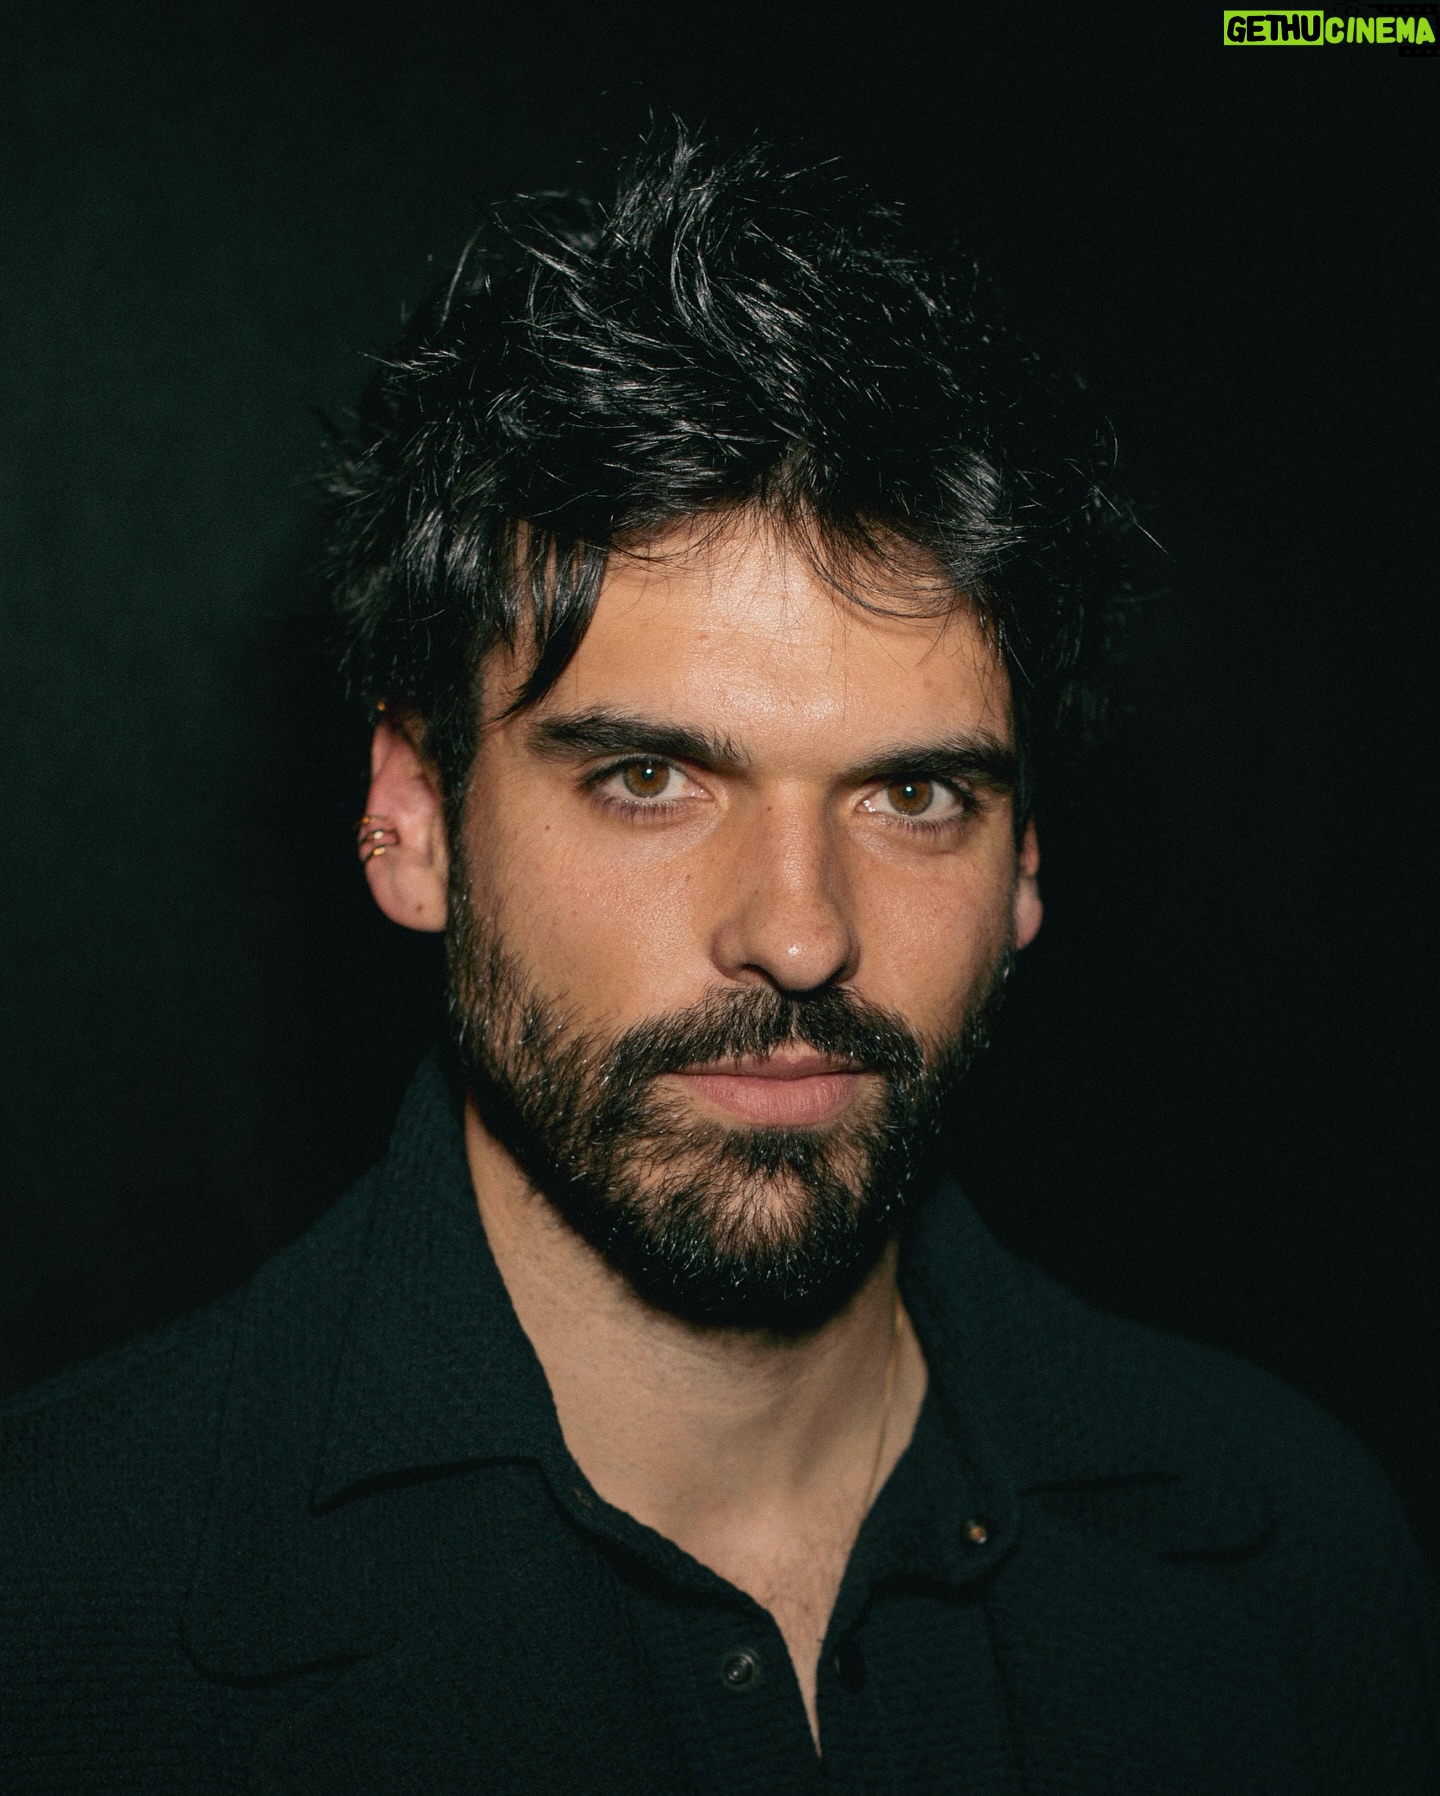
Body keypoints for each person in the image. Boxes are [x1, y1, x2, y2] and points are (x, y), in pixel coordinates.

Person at [0, 132, 1432, 1795]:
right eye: (649, 779)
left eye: (915, 797)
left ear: (1027, 861)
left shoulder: (1297, 1569)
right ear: (414, 823)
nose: (802, 933)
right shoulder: (58, 1623)